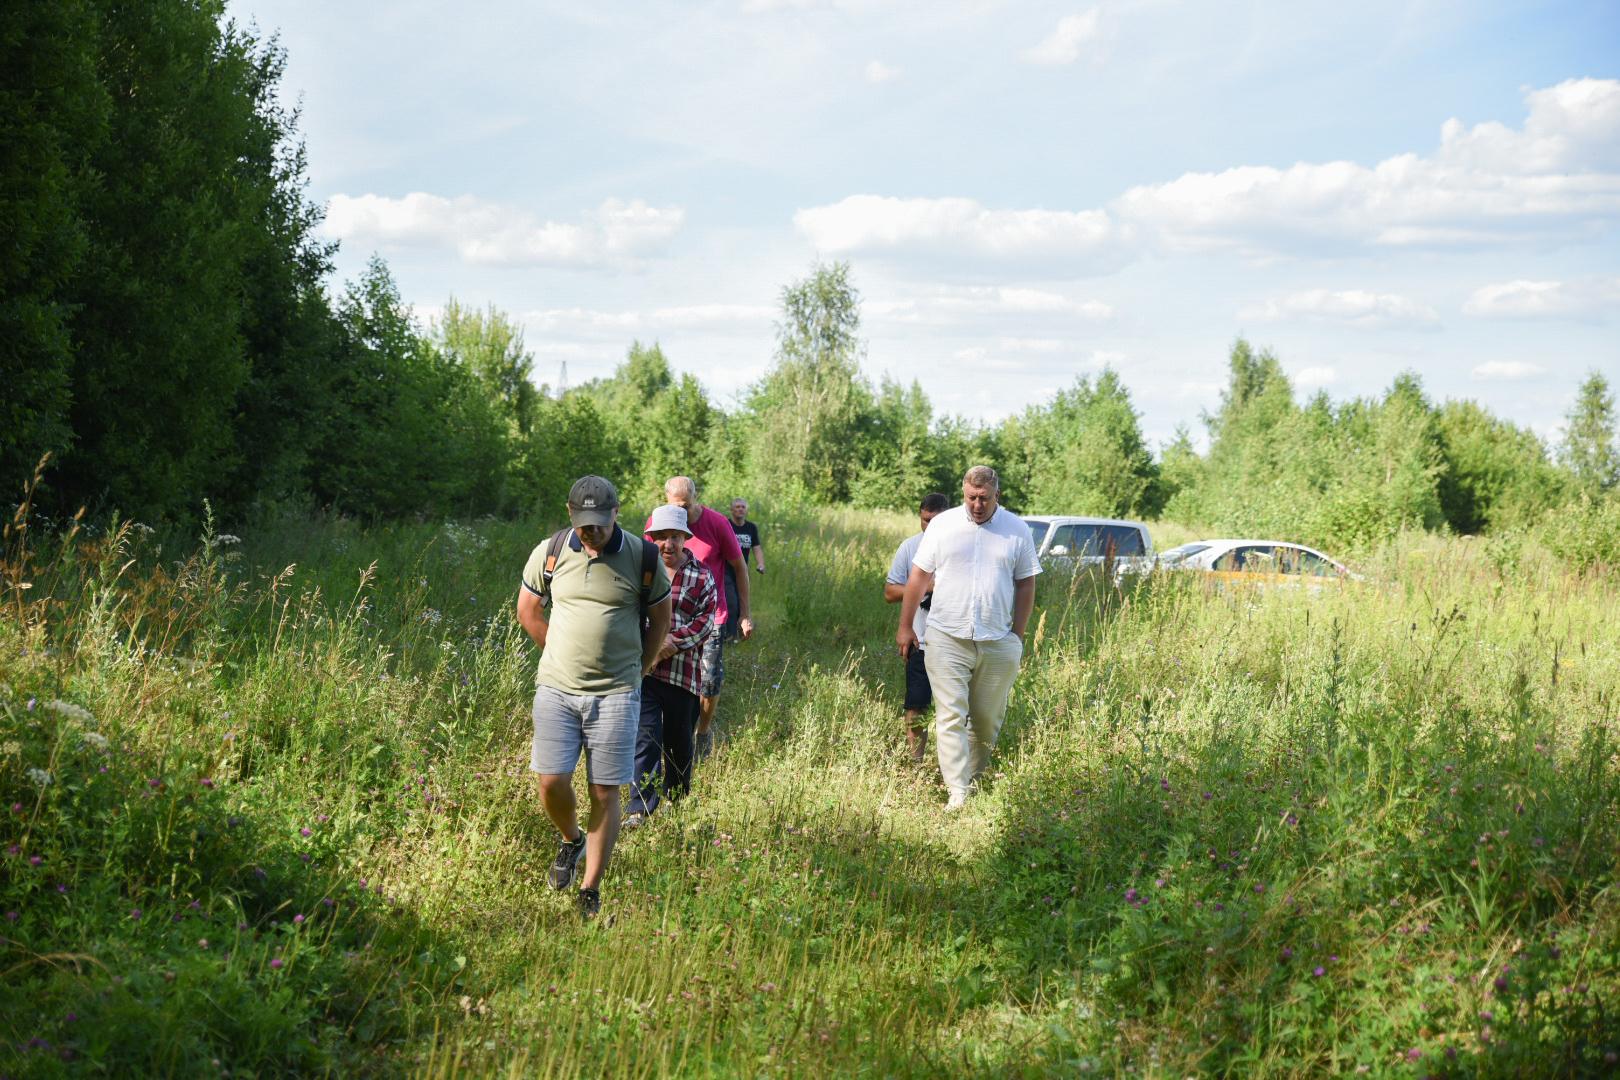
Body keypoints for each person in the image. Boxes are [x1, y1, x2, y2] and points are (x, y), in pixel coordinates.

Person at [516, 475, 673, 919]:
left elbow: (661, 618)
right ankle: (572, 840)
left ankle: (590, 888)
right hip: (557, 690)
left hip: (617, 694)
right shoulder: (549, 552)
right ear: (571, 514)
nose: (592, 531)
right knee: (551, 780)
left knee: (605, 792)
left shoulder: (642, 556)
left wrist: (639, 670)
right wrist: (559, 650)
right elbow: (527, 610)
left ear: (615, 514)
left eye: (600, 523)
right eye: (584, 523)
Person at [897, 466, 1039, 811]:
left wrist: (1017, 637)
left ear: (996, 496)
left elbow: (1026, 584)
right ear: (963, 493)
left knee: (986, 719)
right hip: (946, 637)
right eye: (971, 497)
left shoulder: (1017, 530)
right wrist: (906, 626)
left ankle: (973, 779)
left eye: (984, 498)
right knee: (949, 715)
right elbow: (918, 577)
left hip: (997, 639)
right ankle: (957, 791)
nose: (977, 505)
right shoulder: (943, 526)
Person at [624, 505, 718, 828]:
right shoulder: (642, 571)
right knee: (645, 739)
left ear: (684, 538)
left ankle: (677, 806)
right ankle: (641, 809)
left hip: (684, 675)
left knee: (679, 743)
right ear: (652, 538)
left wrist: (669, 643)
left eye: (674, 537)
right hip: (646, 673)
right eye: (661, 537)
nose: (668, 544)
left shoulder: (701, 576)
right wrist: (646, 648)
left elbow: (706, 623)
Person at [656, 477, 752, 759]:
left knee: (708, 681)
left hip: (712, 615)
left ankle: (703, 731)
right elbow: (646, 560)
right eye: (675, 506)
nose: (681, 513)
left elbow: (740, 567)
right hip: (669, 614)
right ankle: (673, 732)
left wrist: (744, 614)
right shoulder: (660, 521)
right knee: (667, 679)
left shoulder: (717, 523)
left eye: (686, 506)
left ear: (696, 498)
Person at [885, 492, 951, 762]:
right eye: (925, 521)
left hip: (955, 639)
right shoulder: (910, 547)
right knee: (916, 706)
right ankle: (916, 764)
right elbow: (890, 592)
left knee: (957, 710)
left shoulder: (962, 545)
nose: (930, 527)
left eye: (936, 521)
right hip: (920, 640)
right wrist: (925, 585)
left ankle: (955, 767)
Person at [724, 498, 765, 643]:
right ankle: (730, 637)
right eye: (737, 507)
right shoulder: (726, 525)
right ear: (732, 510)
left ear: (746, 510)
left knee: (743, 603)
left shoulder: (751, 528)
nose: (740, 509)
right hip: (726, 571)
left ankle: (739, 632)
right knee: (732, 603)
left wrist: (761, 564)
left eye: (743, 507)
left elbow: (757, 548)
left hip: (742, 573)